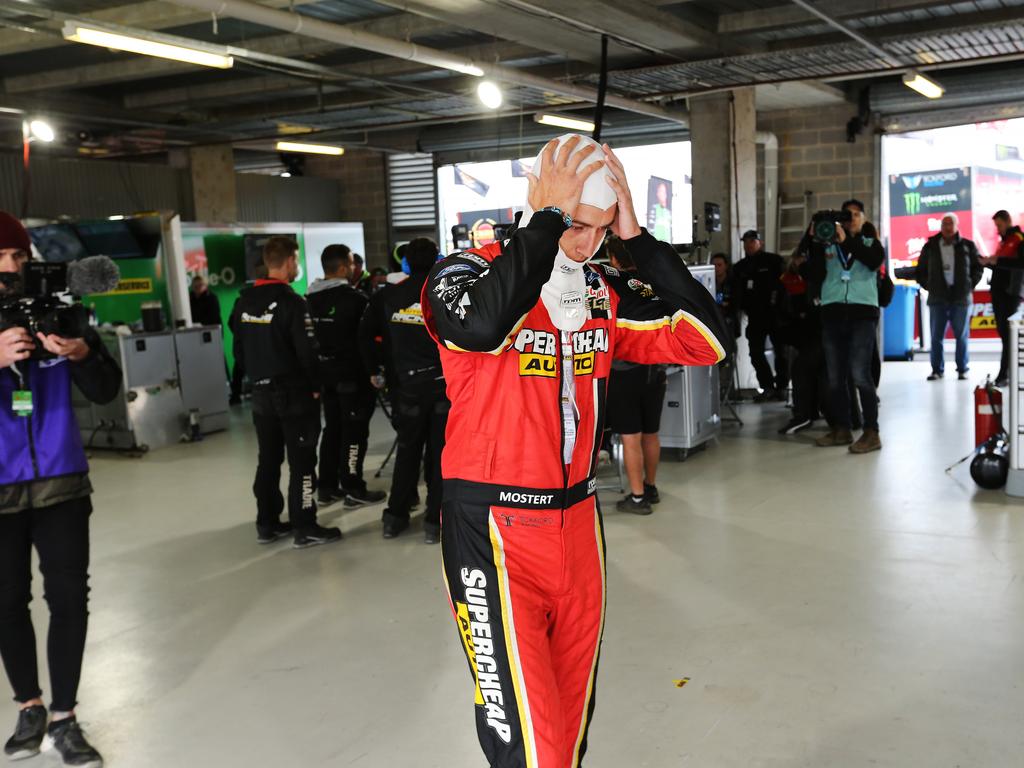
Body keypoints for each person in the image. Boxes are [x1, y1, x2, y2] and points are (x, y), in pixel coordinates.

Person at [423, 135, 731, 768]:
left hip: (580, 528)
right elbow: (481, 326)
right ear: (538, 205)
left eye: (599, 228)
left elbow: (707, 340)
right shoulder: (465, 274)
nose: (586, 243)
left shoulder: (599, 292)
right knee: (530, 747)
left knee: (568, 735)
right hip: (493, 530)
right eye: (575, 224)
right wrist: (545, 224)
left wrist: (638, 242)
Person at [0, 211, 122, 767]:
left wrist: (82, 353)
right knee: (7, 603)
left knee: (69, 599)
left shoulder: (62, 313)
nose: (11, 267)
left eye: (19, 257)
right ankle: (29, 706)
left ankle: (65, 716)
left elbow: (104, 390)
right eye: (1, 258)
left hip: (62, 481)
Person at [230, 236, 341, 548]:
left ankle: (266, 523)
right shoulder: (293, 303)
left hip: (261, 395)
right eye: (295, 261)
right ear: (291, 261)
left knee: (268, 460)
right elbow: (307, 353)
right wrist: (316, 388)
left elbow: (238, 350)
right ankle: (304, 525)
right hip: (294, 395)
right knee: (303, 462)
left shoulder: (243, 302)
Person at [359, 237, 447, 543]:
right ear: (437, 259)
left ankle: (394, 518)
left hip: (405, 388)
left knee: (407, 451)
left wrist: (375, 371)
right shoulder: (443, 294)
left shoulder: (387, 296)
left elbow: (365, 335)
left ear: (405, 263)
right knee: (439, 455)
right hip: (442, 388)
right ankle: (434, 523)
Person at [306, 246, 386, 509]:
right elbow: (367, 341)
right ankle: (353, 487)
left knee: (332, 430)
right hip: (353, 378)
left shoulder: (308, 298)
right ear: (342, 268)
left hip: (325, 377)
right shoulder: (356, 299)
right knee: (354, 433)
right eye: (352, 264)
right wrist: (375, 371)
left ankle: (327, 488)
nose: (355, 269)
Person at [804, 199, 885, 454]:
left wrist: (845, 240)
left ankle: (871, 432)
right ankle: (842, 428)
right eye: (845, 216)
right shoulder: (826, 246)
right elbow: (814, 275)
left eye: (855, 215)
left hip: (863, 315)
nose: (850, 219)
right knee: (835, 377)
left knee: (861, 374)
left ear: (862, 218)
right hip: (832, 313)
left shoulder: (872, 244)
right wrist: (814, 243)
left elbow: (872, 261)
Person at [604, 236, 666, 515]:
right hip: (655, 370)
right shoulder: (655, 282)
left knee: (631, 436)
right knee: (651, 433)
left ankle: (638, 498)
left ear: (614, 259)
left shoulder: (613, 284)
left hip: (623, 370)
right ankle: (650, 486)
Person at [914, 214, 983, 381]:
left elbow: (978, 267)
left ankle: (962, 369)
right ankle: (937, 370)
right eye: (944, 224)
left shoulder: (968, 245)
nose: (947, 227)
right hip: (938, 297)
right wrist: (929, 285)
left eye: (950, 223)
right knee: (936, 336)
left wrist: (969, 284)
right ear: (940, 226)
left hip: (960, 296)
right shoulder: (930, 246)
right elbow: (920, 270)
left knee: (961, 335)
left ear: (957, 225)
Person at [732, 229, 786, 401]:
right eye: (746, 242)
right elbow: (737, 293)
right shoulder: (740, 267)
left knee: (781, 352)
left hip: (775, 315)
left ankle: (782, 387)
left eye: (752, 241)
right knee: (755, 352)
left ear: (760, 243)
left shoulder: (774, 261)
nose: (748, 245)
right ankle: (767, 386)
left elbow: (784, 285)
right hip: (755, 317)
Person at [778, 245, 825, 434]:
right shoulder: (788, 281)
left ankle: (804, 415)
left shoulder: (818, 280)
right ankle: (808, 413)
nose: (799, 263)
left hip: (820, 335)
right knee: (804, 371)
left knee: (803, 370)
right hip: (804, 336)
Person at [980, 210, 1024, 387]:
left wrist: (997, 261)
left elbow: (1021, 264)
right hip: (998, 293)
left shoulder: (1018, 239)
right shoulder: (1004, 242)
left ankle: (1004, 374)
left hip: (1010, 293)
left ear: (1007, 221)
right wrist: (989, 262)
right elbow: (1001, 266)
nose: (997, 229)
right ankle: (1006, 374)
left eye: (999, 225)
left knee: (1008, 336)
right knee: (1004, 336)